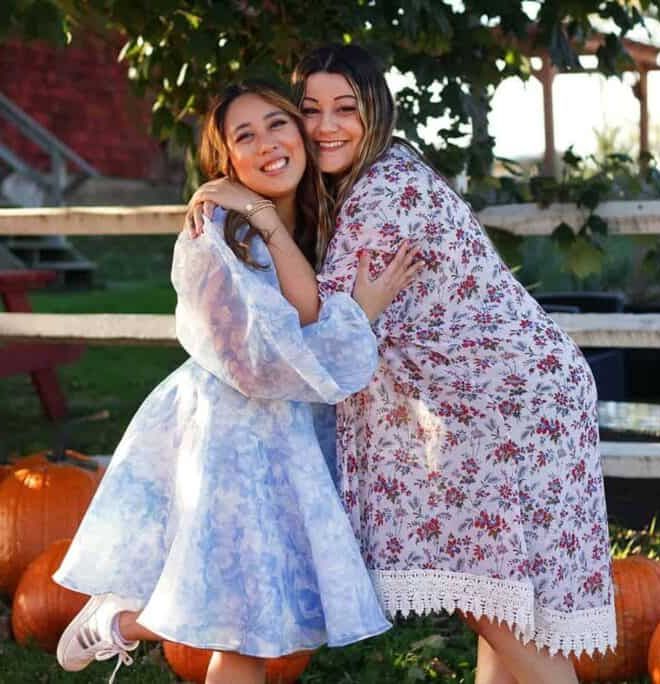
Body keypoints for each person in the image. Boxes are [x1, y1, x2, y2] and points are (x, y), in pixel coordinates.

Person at [186, 45, 616, 684]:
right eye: (311, 110)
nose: (327, 126)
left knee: (495, 602)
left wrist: (254, 212)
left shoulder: (385, 190)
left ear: (375, 112)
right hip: (508, 398)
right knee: (491, 601)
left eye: (345, 109)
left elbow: (324, 330)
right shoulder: (367, 182)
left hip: (508, 406)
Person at [52, 81, 422, 684]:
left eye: (278, 124)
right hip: (234, 436)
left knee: (262, 616)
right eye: (244, 136)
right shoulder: (216, 233)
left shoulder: (321, 216)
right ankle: (124, 620)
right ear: (226, 163)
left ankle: (125, 620)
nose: (268, 143)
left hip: (289, 439)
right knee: (245, 623)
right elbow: (281, 343)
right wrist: (357, 314)